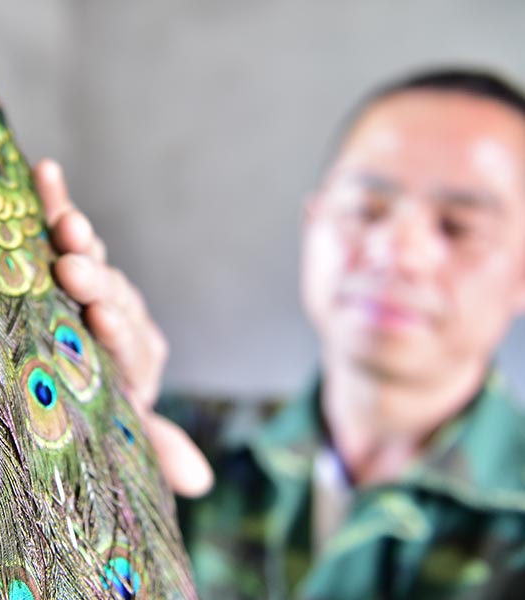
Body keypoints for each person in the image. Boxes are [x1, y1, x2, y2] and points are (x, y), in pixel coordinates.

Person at [33, 69, 525, 599]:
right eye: (367, 209)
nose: (397, 253)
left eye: (458, 226)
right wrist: (100, 407)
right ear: (313, 223)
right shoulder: (178, 441)